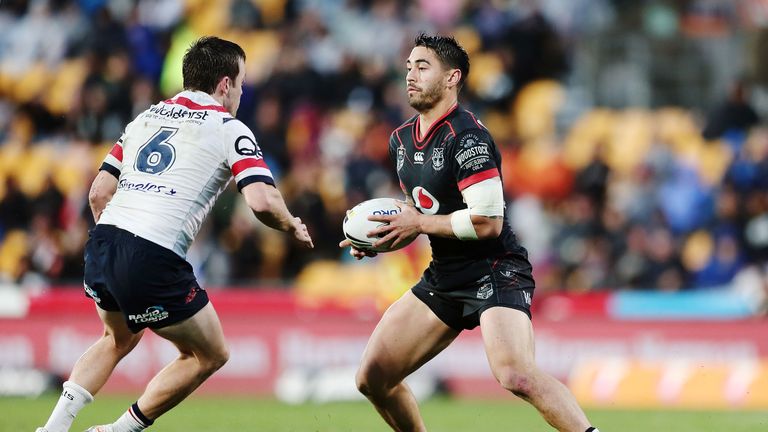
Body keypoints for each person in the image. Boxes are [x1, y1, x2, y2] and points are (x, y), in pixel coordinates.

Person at [37, 36, 313, 432]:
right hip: (152, 253)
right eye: (241, 83)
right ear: (225, 84)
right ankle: (119, 430)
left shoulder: (145, 118)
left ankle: (52, 428)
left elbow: (99, 192)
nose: (241, 92)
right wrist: (290, 224)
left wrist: (115, 244)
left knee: (116, 338)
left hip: (105, 240)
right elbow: (261, 201)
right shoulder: (228, 127)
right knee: (210, 354)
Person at [340, 34, 598, 432]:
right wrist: (381, 236)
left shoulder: (468, 138)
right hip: (445, 274)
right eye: (408, 67)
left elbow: (487, 222)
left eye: (423, 67)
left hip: (495, 270)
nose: (410, 75)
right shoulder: (401, 140)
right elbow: (420, 213)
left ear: (452, 77)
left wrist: (418, 223)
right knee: (372, 378)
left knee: (516, 374)